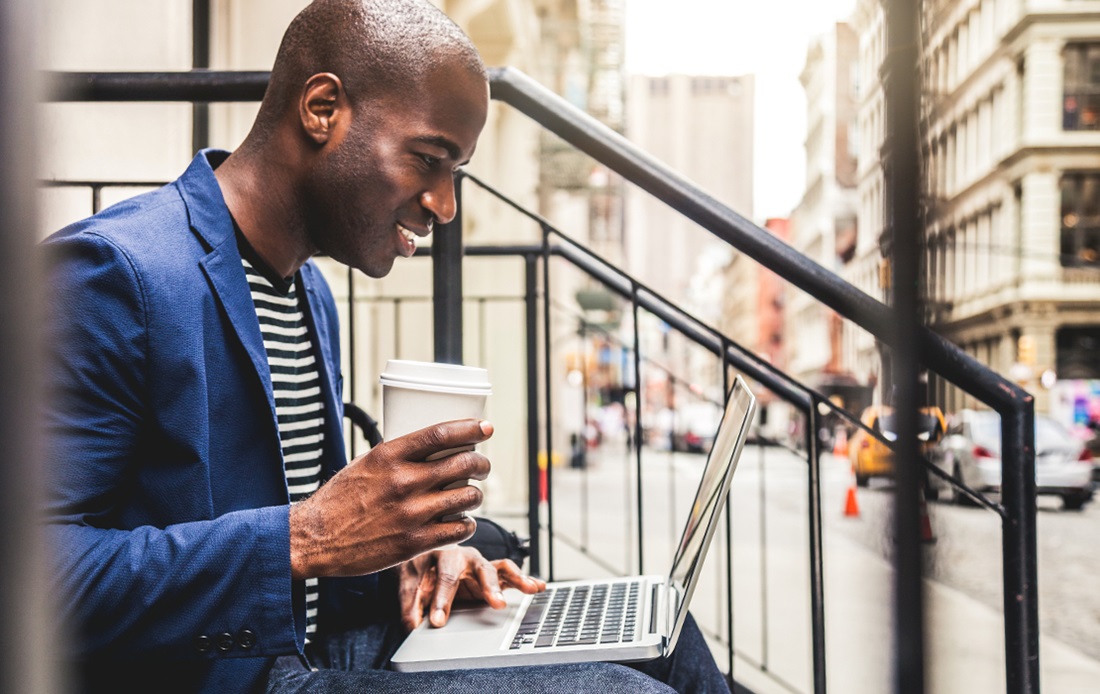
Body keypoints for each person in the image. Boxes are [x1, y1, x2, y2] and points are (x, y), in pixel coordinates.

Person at [41, 1, 729, 692]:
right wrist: (306, 535)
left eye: (455, 170)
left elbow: (311, 559)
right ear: (322, 109)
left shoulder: (309, 292)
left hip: (318, 647)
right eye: (430, 159)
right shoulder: (111, 276)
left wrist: (406, 567)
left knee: (668, 633)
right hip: (226, 677)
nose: (445, 204)